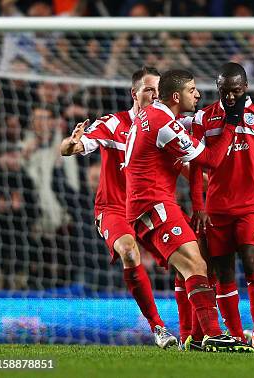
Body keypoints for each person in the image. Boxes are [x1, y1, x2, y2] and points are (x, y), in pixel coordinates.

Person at [123, 68, 252, 352]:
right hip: (153, 205)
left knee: (189, 269)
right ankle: (215, 334)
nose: (197, 94)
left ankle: (196, 336)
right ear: (175, 95)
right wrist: (231, 121)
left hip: (147, 204)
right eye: (192, 89)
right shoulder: (164, 124)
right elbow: (211, 160)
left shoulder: (151, 115)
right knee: (196, 265)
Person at [60, 67, 180, 348]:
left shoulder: (165, 125)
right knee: (128, 250)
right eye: (149, 89)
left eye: (158, 91)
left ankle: (199, 330)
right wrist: (71, 143)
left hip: (150, 205)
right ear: (134, 93)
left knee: (188, 257)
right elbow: (71, 148)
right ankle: (159, 328)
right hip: (114, 207)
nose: (154, 95)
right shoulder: (114, 123)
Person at [192, 62, 254, 352]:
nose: (230, 97)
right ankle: (235, 335)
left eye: (235, 91)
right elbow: (196, 167)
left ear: (245, 87)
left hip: (251, 206)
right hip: (217, 207)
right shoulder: (204, 118)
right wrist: (199, 206)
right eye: (224, 91)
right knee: (223, 272)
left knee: (251, 260)